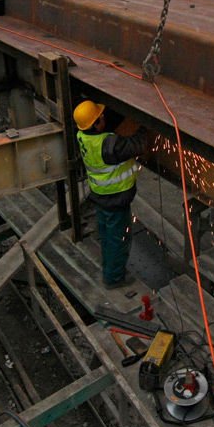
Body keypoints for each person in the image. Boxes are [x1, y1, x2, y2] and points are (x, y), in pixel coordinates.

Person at [74, 100, 149, 288]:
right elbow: (138, 145)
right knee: (119, 239)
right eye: (100, 117)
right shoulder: (109, 144)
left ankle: (108, 267)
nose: (104, 117)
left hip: (100, 195)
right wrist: (145, 124)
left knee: (106, 234)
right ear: (96, 124)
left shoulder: (82, 135)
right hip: (116, 198)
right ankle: (113, 278)